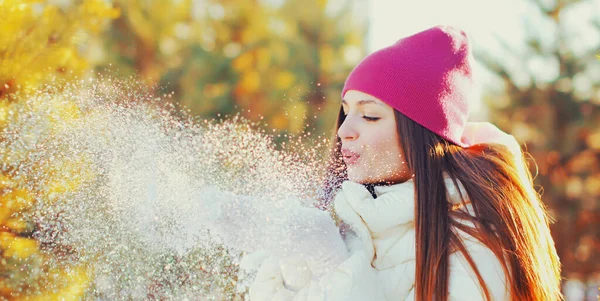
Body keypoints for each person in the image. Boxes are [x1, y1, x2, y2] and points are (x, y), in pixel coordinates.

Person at [240, 25, 563, 301]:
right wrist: (296, 267)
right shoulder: (349, 216)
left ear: (422, 134)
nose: (344, 130)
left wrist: (332, 265)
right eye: (346, 111)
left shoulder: (477, 244)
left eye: (369, 115)